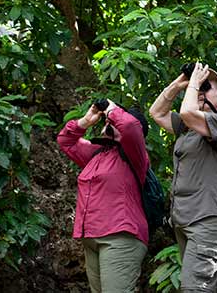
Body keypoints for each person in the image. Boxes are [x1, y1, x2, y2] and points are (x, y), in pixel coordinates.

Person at [149, 63, 217, 293]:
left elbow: (187, 113)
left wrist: (193, 84)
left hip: (210, 217)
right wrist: (180, 82)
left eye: (207, 87)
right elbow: (157, 113)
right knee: (209, 287)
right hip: (187, 217)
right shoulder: (189, 128)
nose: (201, 90)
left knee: (194, 288)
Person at [57, 100, 150, 293]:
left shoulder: (135, 155)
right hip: (91, 238)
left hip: (120, 238)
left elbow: (131, 127)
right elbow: (65, 141)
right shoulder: (98, 154)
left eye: (113, 121)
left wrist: (112, 108)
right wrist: (86, 121)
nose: (109, 122)